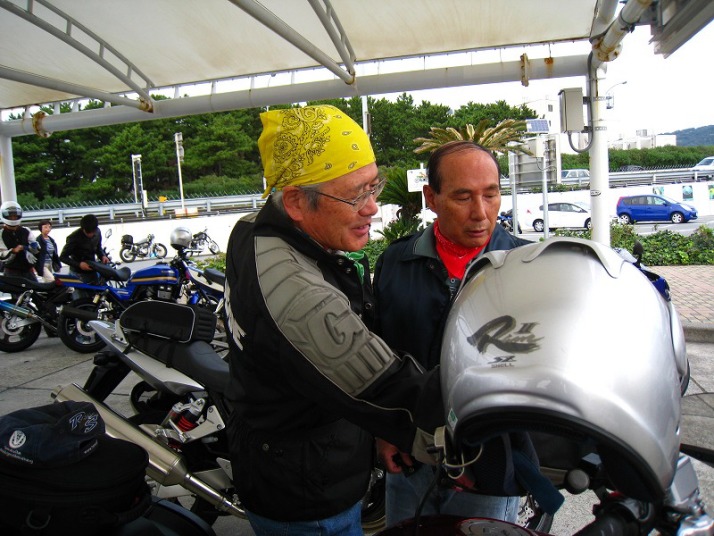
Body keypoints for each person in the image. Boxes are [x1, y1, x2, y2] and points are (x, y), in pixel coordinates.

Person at [223, 105, 444, 536]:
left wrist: (379, 430)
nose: (373, 208)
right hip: (308, 495)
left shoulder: (249, 229)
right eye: (356, 195)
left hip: (279, 456)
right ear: (295, 202)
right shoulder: (299, 295)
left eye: (373, 187)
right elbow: (389, 388)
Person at [373, 141, 532, 527]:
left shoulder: (527, 266)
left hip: (490, 463)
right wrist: (385, 431)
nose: (481, 212)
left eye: (490, 194)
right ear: (432, 198)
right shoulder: (397, 261)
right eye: (463, 197)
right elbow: (379, 355)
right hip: (411, 455)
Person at [60, 214, 109, 284]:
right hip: (78, 273)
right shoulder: (73, 237)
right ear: (83, 229)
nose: (90, 235)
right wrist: (79, 264)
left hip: (92, 269)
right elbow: (62, 257)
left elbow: (98, 247)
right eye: (87, 233)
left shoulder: (98, 232)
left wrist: (102, 256)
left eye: (92, 232)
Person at [0, 201, 39, 280]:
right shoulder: (1, 234)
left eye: (15, 215)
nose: (13, 218)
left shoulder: (26, 230)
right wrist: (13, 251)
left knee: (35, 287)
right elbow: (2, 255)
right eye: (10, 216)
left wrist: (32, 247)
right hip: (11, 271)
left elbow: (36, 249)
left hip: (28, 270)